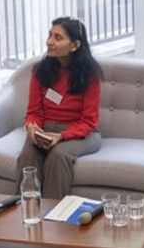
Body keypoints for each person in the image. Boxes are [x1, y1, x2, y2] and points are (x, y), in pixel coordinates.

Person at [23, 16, 102, 200]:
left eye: (58, 38)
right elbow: (33, 111)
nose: (49, 41)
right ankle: (25, 210)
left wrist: (61, 136)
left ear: (74, 45)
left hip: (82, 133)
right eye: (50, 35)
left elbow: (89, 121)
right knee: (28, 155)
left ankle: (52, 218)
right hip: (46, 129)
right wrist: (32, 127)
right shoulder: (40, 71)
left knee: (58, 156)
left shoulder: (90, 75)